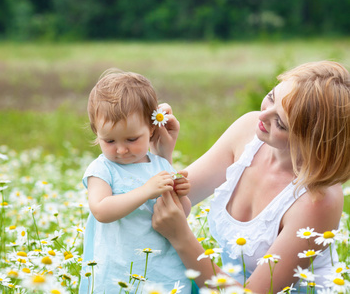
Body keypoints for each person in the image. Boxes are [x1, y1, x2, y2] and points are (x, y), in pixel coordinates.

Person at [150, 60, 350, 293]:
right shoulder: (247, 131)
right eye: (271, 97)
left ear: (313, 142)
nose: (263, 115)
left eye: (280, 123)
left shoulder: (319, 199)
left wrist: (181, 237)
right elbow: (168, 203)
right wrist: (161, 156)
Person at [79, 69, 192, 293]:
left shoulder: (160, 165)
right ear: (96, 132)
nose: (121, 149)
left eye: (132, 139)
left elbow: (182, 214)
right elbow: (101, 210)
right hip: (118, 274)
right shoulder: (103, 169)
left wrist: (180, 195)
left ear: (151, 129)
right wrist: (146, 191)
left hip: (164, 272)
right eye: (109, 140)